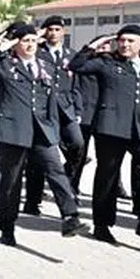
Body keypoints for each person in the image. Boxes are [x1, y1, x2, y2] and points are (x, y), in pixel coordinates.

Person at [0, 22, 88, 246]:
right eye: (25, 41)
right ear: (16, 44)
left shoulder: (45, 66)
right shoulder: (5, 66)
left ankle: (70, 216)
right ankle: (7, 226)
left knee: (55, 169)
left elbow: (53, 97)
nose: (30, 45)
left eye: (33, 41)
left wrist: (54, 127)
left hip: (41, 130)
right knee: (11, 182)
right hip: (13, 131)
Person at [69, 25, 140, 244]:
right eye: (121, 40)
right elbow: (75, 65)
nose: (125, 45)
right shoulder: (106, 62)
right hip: (111, 127)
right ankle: (102, 225)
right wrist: (94, 45)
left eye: (131, 41)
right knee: (107, 177)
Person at [22, 15, 86, 216]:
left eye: (58, 29)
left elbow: (77, 85)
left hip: (66, 109)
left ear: (64, 32)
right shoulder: (36, 53)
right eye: (50, 29)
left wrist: (77, 110)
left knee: (78, 144)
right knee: (38, 157)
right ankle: (32, 201)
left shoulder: (71, 55)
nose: (54, 33)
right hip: (42, 111)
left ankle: (68, 182)